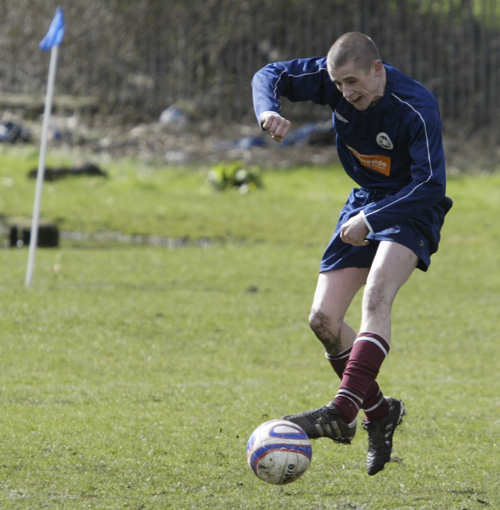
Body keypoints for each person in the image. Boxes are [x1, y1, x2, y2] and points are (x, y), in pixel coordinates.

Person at [251, 32, 453, 476]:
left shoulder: (415, 106)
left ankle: (342, 412)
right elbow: (270, 74)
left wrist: (373, 220)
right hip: (364, 201)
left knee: (377, 295)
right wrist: (268, 110)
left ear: (377, 70)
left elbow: (430, 184)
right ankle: (380, 412)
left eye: (352, 82)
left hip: (411, 206)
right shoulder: (335, 81)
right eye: (338, 83)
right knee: (323, 320)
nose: (345, 92)